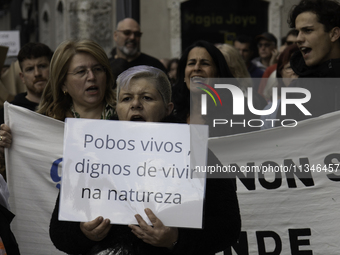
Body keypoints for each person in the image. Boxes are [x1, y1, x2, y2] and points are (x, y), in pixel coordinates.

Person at [49, 65, 241, 255]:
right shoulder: (91, 152)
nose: (135, 104)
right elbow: (59, 232)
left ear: (168, 108)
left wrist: (175, 240)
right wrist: (83, 234)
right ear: (117, 108)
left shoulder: (195, 152)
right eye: (126, 98)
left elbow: (228, 226)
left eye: (147, 98)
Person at [0, 39, 116, 178]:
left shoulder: (126, 117)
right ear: (63, 84)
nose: (91, 77)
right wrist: (5, 151)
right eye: (81, 71)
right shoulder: (45, 124)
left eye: (97, 69)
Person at [172, 40, 259, 136]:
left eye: (205, 63)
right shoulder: (171, 112)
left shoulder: (239, 115)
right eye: (191, 63)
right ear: (184, 75)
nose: (196, 68)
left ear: (218, 75)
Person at [277, 0, 340, 124]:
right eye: (297, 32)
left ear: (334, 34)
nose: (299, 39)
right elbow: (283, 140)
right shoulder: (296, 93)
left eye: (308, 30)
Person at [0, 42, 53, 124]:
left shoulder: (67, 106)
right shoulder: (9, 113)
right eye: (30, 69)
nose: (37, 73)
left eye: (42, 66)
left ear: (52, 69)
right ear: (22, 77)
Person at [261, 44, 299, 130]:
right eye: (289, 67)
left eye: (300, 67)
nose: (295, 72)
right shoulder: (269, 112)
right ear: (280, 74)